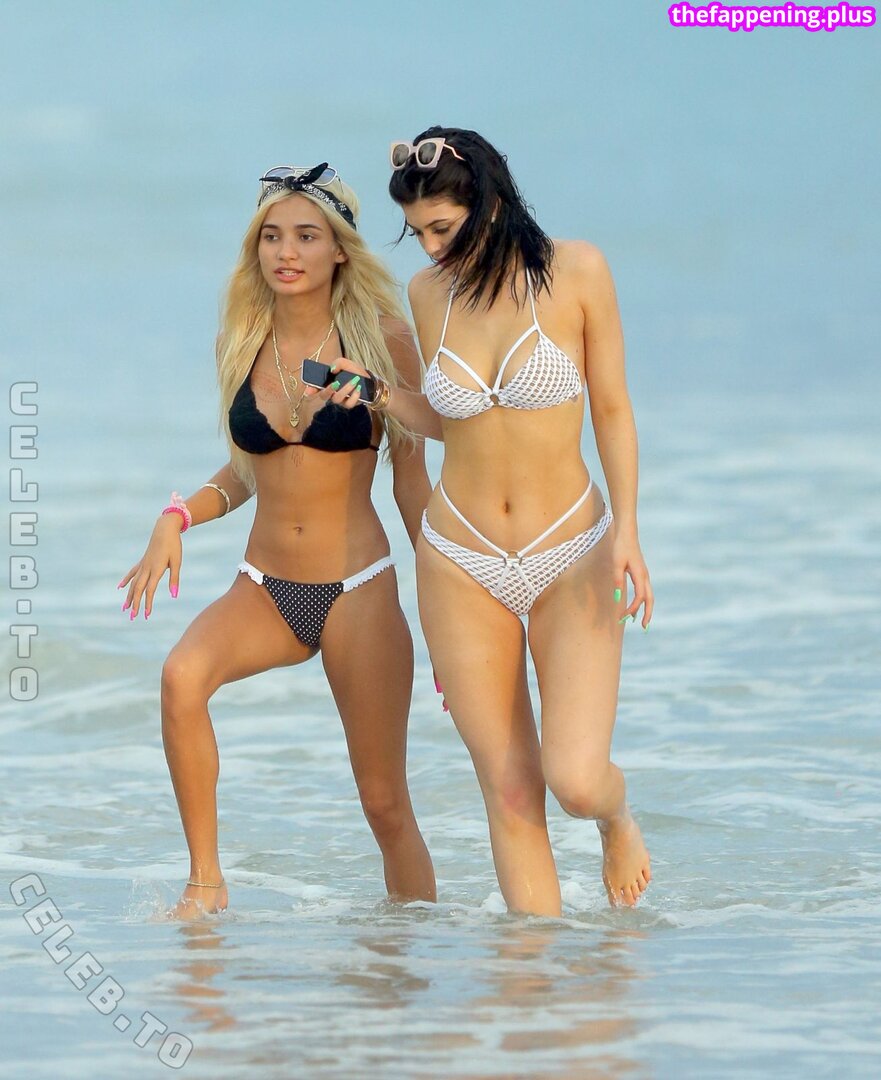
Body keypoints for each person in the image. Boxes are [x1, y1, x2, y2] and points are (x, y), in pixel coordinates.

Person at [330, 129, 653, 914]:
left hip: (571, 546)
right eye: (418, 233)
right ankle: (532, 976)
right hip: (458, 558)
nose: (430, 248)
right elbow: (453, 421)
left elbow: (611, 409)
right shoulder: (427, 294)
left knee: (574, 780)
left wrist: (628, 533)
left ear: (490, 203)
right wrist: (374, 392)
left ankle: (615, 819)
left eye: (442, 228)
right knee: (509, 794)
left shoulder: (577, 271)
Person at [119, 163, 436, 917]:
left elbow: (411, 481)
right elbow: (245, 472)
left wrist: (446, 601)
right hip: (263, 588)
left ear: (339, 249)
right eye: (271, 237)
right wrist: (176, 516)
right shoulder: (242, 341)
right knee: (181, 677)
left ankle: (406, 954)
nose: (285, 252)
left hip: (358, 588)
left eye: (305, 236)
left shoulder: (385, 340)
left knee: (384, 803)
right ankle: (205, 886)